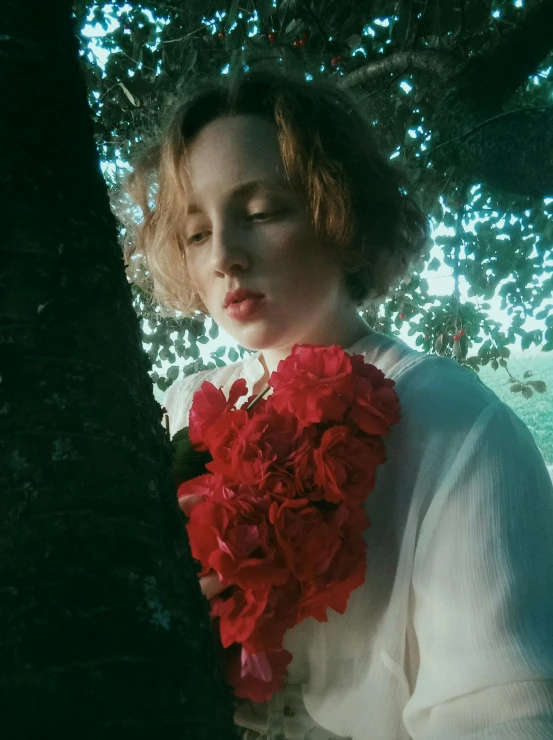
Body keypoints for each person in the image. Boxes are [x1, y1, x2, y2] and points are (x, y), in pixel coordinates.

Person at [115, 67, 553, 740]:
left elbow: (504, 712)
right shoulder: (178, 412)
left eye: (261, 213)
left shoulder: (452, 423)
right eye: (197, 232)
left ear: (337, 207)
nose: (226, 256)